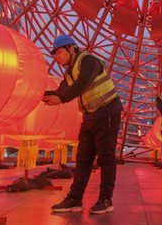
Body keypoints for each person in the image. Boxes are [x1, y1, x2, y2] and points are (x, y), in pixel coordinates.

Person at [42, 34, 123, 214]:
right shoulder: (70, 72)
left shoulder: (89, 61)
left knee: (106, 157)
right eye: (55, 55)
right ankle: (75, 199)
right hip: (90, 116)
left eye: (60, 52)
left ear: (72, 49)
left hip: (108, 111)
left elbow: (82, 84)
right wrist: (39, 94)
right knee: (83, 159)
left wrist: (61, 98)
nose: (57, 57)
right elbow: (62, 90)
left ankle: (106, 200)